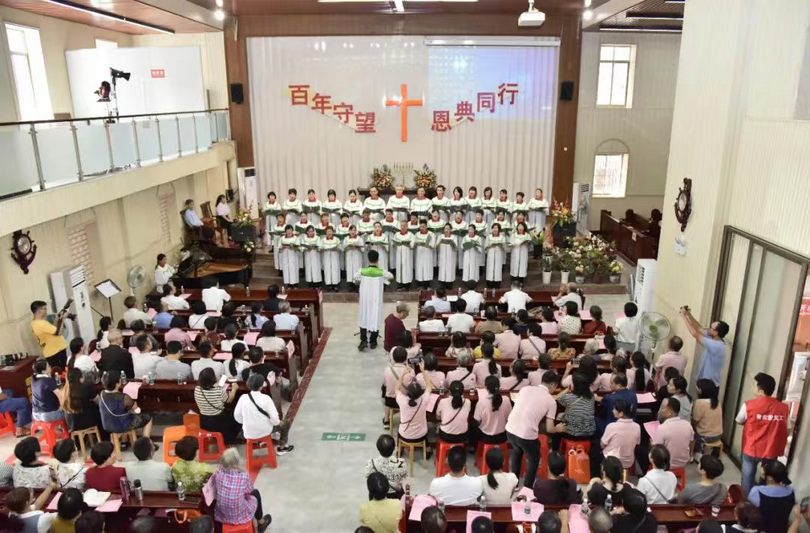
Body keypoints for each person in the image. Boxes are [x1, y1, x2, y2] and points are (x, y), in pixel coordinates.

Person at [505, 371, 563, 488]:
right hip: (526, 435)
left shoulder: (525, 389)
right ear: (552, 385)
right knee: (534, 458)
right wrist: (559, 428)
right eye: (556, 386)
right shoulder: (551, 401)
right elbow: (549, 428)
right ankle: (527, 488)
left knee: (517, 451)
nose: (555, 389)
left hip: (510, 429)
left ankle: (514, 484)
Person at [736, 372, 789, 496]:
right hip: (771, 449)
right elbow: (787, 428)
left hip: (751, 447)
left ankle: (746, 501)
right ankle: (763, 498)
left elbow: (739, 420)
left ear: (761, 391)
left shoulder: (748, 405)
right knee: (768, 478)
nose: (752, 387)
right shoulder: (783, 408)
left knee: (747, 478)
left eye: (754, 385)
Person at [210, 448, 272, 532]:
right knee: (255, 493)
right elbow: (250, 490)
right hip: (239, 515)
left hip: (223, 515)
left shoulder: (217, 473)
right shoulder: (243, 476)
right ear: (236, 462)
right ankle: (261, 522)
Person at [234, 373, 294, 455]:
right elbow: (275, 419)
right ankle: (282, 448)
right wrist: (274, 423)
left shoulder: (243, 398)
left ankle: (258, 442)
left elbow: (237, 416)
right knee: (286, 423)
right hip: (265, 431)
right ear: (261, 386)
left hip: (248, 432)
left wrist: (246, 422)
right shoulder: (266, 398)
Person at [680, 306, 729, 386]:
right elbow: (699, 328)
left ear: (716, 333)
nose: (708, 329)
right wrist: (688, 315)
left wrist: (683, 317)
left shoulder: (716, 345)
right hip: (706, 381)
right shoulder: (714, 338)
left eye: (711, 328)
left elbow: (695, 334)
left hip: (709, 384)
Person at [356, 250, 394, 350]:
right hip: (376, 300)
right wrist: (384, 281)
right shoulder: (381, 272)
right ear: (378, 259)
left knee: (364, 316)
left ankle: (363, 340)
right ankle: (373, 341)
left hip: (365, 299)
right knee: (375, 317)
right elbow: (391, 277)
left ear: (368, 259)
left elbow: (355, 278)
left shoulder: (362, 271)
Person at [99, 371, 153, 438]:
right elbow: (137, 410)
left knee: (125, 414)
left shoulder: (102, 394)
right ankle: (145, 442)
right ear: (117, 384)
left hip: (107, 425)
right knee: (148, 418)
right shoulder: (124, 398)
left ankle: (124, 441)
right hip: (122, 425)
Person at [195, 367, 240, 443]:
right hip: (218, 420)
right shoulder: (218, 391)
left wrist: (222, 380)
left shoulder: (197, 389)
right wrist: (234, 389)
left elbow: (210, 388)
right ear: (213, 379)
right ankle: (230, 438)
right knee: (236, 416)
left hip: (203, 420)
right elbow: (229, 400)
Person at [748, 460, 795, 533]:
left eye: (764, 469)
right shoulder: (791, 491)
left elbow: (749, 512)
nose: (762, 469)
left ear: (770, 478)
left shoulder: (757, 491)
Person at [394, 362, 431, 446]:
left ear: (407, 392)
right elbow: (429, 386)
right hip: (421, 436)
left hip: (405, 435)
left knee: (398, 430)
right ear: (420, 393)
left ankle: (400, 448)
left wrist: (402, 375)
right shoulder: (424, 399)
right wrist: (423, 371)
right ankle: (427, 448)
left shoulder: (402, 400)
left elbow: (396, 389)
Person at [653, 397, 693, 470]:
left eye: (662, 407)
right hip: (683, 463)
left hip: (666, 464)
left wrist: (651, 443)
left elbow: (656, 449)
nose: (660, 410)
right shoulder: (688, 425)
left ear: (670, 411)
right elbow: (691, 442)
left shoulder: (662, 428)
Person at [601, 399, 640, 470]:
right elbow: (636, 444)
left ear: (621, 413)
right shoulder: (637, 427)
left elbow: (602, 445)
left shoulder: (611, 426)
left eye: (614, 409)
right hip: (629, 462)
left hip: (611, 461)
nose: (612, 411)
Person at [365, 434, 407, 500]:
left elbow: (369, 479)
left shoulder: (371, 464)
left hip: (377, 495)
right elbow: (404, 476)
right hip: (396, 494)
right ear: (394, 448)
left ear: (378, 448)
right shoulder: (402, 463)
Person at [381, 347, 414, 429]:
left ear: (393, 357)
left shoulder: (387, 370)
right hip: (405, 400)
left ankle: (386, 420)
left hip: (390, 401)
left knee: (385, 390)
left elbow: (385, 384)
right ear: (405, 358)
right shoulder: (410, 371)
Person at [473, 375, 512, 445]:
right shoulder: (506, 399)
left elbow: (477, 420)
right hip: (503, 436)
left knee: (472, 425)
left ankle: (472, 446)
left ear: (486, 387)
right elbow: (509, 418)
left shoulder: (481, 402)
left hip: (486, 437)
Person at [30, 300, 69, 368]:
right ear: (39, 311)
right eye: (44, 308)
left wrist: (57, 320)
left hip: (54, 351)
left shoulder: (36, 323)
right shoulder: (41, 324)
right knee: (62, 371)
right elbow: (59, 332)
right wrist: (62, 319)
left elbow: (54, 330)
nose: (46, 310)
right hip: (55, 352)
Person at [692, 378, 723, 461]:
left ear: (701, 390)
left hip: (705, 436)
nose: (696, 388)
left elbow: (695, 421)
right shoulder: (717, 402)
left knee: (689, 428)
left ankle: (697, 452)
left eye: (697, 387)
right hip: (718, 434)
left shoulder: (700, 403)